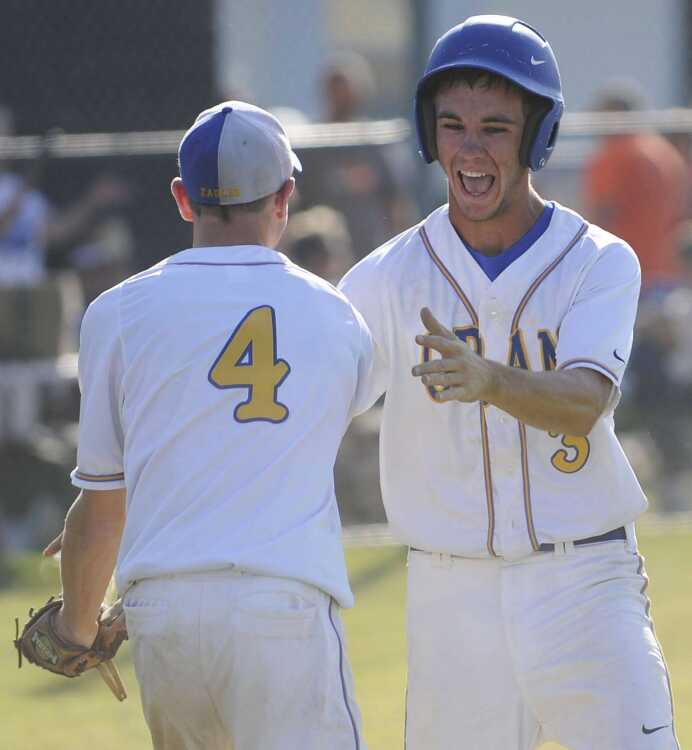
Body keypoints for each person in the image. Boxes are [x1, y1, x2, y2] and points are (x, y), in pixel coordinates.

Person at [339, 15, 680, 750]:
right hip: (449, 592)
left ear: (536, 137)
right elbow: (301, 410)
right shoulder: (388, 277)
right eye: (452, 124)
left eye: (495, 127)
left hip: (584, 578)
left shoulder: (596, 261)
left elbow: (585, 404)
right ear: (429, 136)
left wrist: (491, 378)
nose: (469, 147)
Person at [46, 101, 372, 750]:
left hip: (163, 617)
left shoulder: (116, 313)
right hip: (283, 607)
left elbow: (102, 506)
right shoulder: (337, 315)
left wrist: (76, 629)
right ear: (285, 197)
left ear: (182, 199)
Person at [582, 80, 688, 293]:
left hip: (626, 273)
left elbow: (599, 219)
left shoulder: (614, 155)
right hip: (669, 273)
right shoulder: (665, 152)